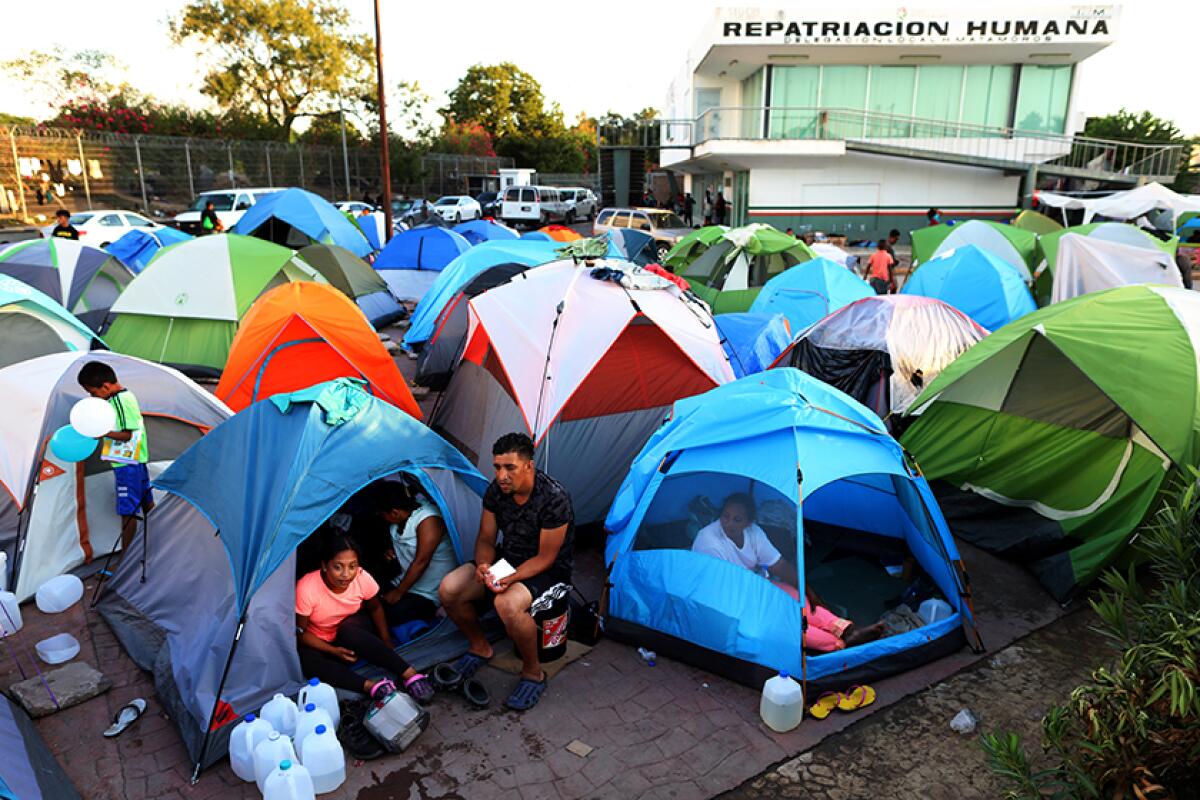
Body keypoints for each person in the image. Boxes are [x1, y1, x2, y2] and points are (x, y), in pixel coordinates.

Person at [438, 433, 574, 711]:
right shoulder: (496, 491)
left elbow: (546, 558)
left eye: (509, 467)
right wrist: (485, 565)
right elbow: (486, 539)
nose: (501, 476)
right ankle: (480, 647)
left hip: (548, 571)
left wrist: (509, 579)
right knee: (450, 589)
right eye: (497, 467)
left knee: (507, 604)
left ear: (528, 466)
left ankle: (533, 673)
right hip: (507, 561)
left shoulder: (554, 498)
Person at [691, 494, 883, 652]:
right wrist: (770, 603)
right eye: (725, 516)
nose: (729, 523)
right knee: (784, 619)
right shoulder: (709, 541)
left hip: (755, 586)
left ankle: (847, 630)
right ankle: (837, 645)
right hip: (726, 599)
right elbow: (726, 591)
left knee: (798, 598)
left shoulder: (753, 532)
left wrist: (808, 590)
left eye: (737, 519)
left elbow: (779, 565)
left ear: (748, 522)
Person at [296, 533, 434, 703]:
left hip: (352, 631)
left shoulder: (362, 578)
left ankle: (410, 674)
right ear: (324, 565)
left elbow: (375, 607)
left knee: (348, 630)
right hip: (320, 640)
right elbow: (301, 634)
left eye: (352, 566)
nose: (346, 574)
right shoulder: (307, 587)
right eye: (338, 567)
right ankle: (372, 687)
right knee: (306, 661)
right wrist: (333, 651)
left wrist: (386, 639)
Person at [77, 361, 153, 555]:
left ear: (106, 386)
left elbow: (127, 434)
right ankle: (155, 543)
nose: (92, 397)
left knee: (128, 511)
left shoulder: (120, 400)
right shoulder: (120, 397)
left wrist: (102, 432)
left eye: (92, 392)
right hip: (135, 461)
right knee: (146, 503)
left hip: (127, 463)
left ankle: (126, 558)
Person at [375, 481, 456, 628]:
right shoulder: (400, 521)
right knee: (372, 601)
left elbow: (421, 561)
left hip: (429, 591)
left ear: (394, 512)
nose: (382, 518)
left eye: (382, 514)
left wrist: (399, 593)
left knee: (387, 616)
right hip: (406, 582)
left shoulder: (428, 520)